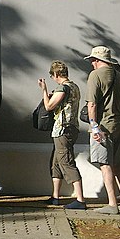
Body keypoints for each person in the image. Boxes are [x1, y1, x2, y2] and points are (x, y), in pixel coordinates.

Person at [85, 45, 120, 214]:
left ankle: (112, 203)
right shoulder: (119, 76)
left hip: (104, 125)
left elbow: (92, 103)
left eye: (92, 60)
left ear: (97, 60)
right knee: (119, 163)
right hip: (119, 123)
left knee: (105, 164)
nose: (91, 63)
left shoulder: (95, 75)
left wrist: (94, 126)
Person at [38, 61, 86, 210]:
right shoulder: (74, 86)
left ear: (56, 74)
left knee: (66, 162)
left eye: (52, 75)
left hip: (63, 129)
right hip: (70, 128)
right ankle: (55, 196)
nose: (52, 78)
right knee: (56, 163)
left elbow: (49, 106)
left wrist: (44, 91)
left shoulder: (63, 87)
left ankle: (80, 199)